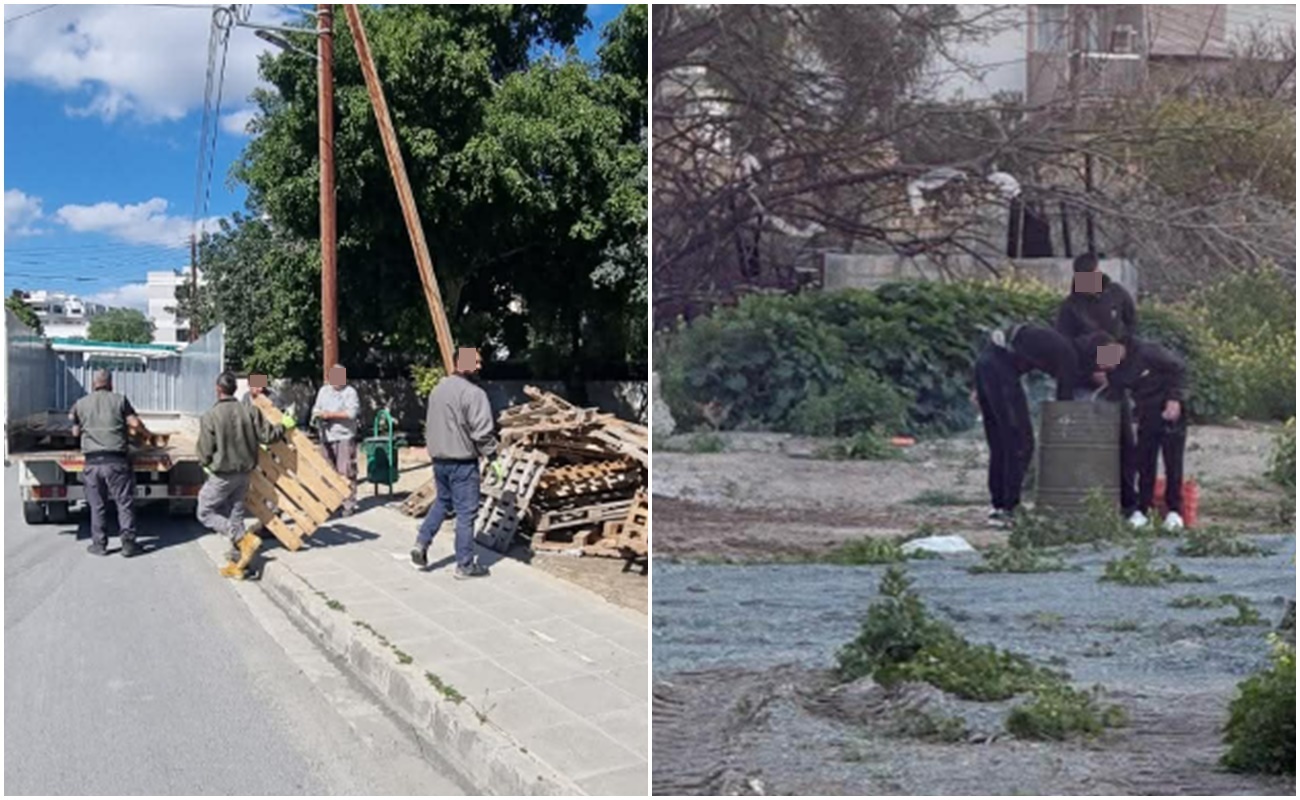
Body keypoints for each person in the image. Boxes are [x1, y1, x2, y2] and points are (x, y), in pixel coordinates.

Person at [1056, 251, 1141, 515]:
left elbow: (1129, 332)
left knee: (1125, 440)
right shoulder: (1070, 307)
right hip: (1084, 381)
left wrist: (1114, 366)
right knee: (1087, 444)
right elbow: (1066, 347)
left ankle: (1129, 504)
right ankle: (1086, 504)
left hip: (1114, 377)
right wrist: (1091, 370)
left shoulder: (1116, 294)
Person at [410, 347, 504, 579]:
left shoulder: (437, 390)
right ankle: (464, 564)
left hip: (440, 459)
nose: (480, 366)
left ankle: (421, 543)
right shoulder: (474, 393)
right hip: (463, 462)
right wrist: (492, 456)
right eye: (477, 362)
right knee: (466, 513)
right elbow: (482, 432)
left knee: (442, 502)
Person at [974, 324, 1081, 523]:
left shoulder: (1056, 341)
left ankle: (999, 505)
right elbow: (1064, 403)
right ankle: (1008, 508)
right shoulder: (1070, 358)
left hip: (986, 363)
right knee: (1020, 443)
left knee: (1000, 443)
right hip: (1000, 371)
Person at [1088, 333, 1188, 531]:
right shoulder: (1114, 367)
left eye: (1107, 353)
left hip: (1169, 408)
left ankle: (1174, 510)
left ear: (1118, 345)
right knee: (1144, 461)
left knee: (1172, 461)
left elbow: (1179, 369)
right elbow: (1112, 388)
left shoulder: (1148, 351)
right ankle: (1142, 509)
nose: (1106, 360)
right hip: (1145, 412)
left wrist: (1174, 398)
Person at [198, 371, 294, 570]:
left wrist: (205, 463)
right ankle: (239, 561)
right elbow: (268, 436)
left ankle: (243, 538)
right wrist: (283, 426)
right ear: (236, 389)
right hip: (244, 474)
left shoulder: (210, 416)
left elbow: (204, 451)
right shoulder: (250, 411)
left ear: (218, 390)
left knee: (205, 512)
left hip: (222, 474)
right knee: (236, 514)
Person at [69, 370, 146, 557]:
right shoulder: (119, 400)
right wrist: (144, 434)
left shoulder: (80, 404)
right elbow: (134, 424)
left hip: (93, 462)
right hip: (116, 461)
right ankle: (128, 545)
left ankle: (99, 545)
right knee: (124, 502)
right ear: (110, 384)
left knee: (97, 505)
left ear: (93, 384)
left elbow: (75, 432)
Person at [312, 364, 360, 516]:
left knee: (345, 471)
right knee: (328, 472)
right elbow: (316, 409)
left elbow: (352, 413)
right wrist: (319, 416)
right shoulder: (324, 391)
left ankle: (348, 503)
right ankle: (332, 502)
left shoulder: (350, 392)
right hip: (326, 435)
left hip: (344, 436)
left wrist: (330, 415)